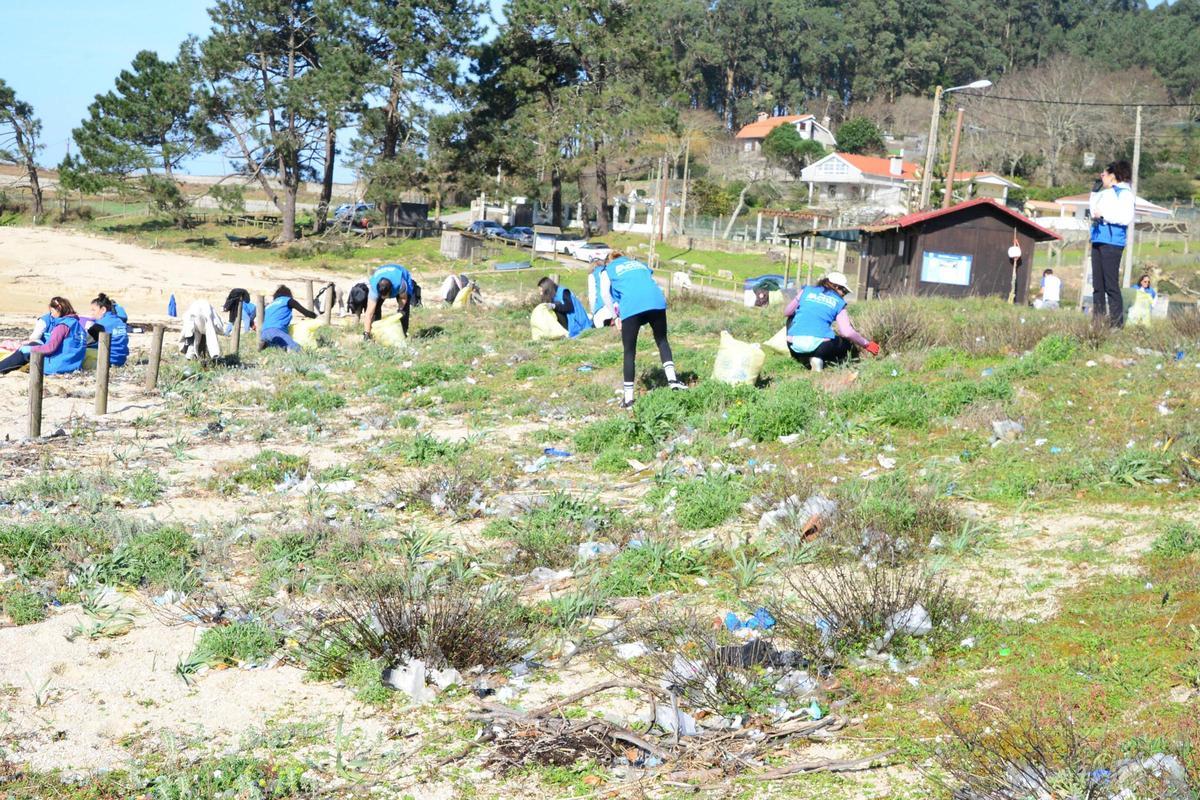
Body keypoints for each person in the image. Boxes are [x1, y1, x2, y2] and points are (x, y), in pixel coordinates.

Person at [600, 252, 685, 408]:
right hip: (656, 301)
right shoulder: (638, 263)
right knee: (662, 340)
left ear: (608, 261)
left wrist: (615, 317)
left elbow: (605, 293)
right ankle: (673, 381)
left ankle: (629, 399)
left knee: (629, 351)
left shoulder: (608, 269)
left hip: (632, 306)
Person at [783, 271, 879, 371]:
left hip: (793, 345)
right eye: (844, 291)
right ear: (837, 287)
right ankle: (817, 358)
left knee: (791, 318)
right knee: (846, 344)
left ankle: (802, 358)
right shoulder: (839, 302)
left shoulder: (806, 291)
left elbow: (787, 312)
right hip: (820, 347)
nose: (844, 295)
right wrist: (867, 344)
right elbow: (847, 332)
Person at [1089, 160, 1136, 327]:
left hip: (1112, 242)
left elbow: (1125, 218)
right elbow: (1094, 210)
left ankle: (1116, 324)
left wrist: (1104, 216)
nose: (1101, 176)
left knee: (1110, 284)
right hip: (1098, 239)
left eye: (1104, 173)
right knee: (1097, 285)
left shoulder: (1124, 193)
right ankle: (1098, 321)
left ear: (1113, 176)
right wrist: (1094, 193)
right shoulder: (1105, 192)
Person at [0, 297, 88, 375]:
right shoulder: (79, 327)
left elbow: (50, 348)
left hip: (57, 367)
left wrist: (29, 349)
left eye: (52, 311)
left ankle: (1, 368)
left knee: (27, 350)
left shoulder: (62, 326)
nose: (51, 315)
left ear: (59, 308)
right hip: (73, 367)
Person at [363, 264, 417, 339]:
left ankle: (403, 334)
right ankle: (374, 333)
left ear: (391, 290)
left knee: (404, 311)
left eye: (385, 296)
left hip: (400, 273)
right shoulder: (374, 289)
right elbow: (368, 314)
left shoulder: (400, 284)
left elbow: (403, 298)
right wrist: (366, 333)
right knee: (374, 310)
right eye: (381, 296)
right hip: (382, 271)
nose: (383, 298)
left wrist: (400, 309)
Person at [259, 285, 317, 352]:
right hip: (277, 331)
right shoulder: (288, 300)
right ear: (289, 294)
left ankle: (265, 345)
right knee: (297, 349)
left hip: (263, 333)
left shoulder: (269, 306)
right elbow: (306, 313)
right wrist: (316, 316)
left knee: (276, 348)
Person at [88, 293, 129, 366]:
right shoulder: (120, 321)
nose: (91, 313)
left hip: (108, 361)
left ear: (103, 309)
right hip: (121, 359)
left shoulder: (100, 324)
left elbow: (86, 342)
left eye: (93, 310)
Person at [587, 263, 614, 327]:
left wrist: (593, 311)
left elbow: (592, 296)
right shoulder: (609, 271)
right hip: (616, 306)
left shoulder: (592, 275)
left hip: (602, 308)